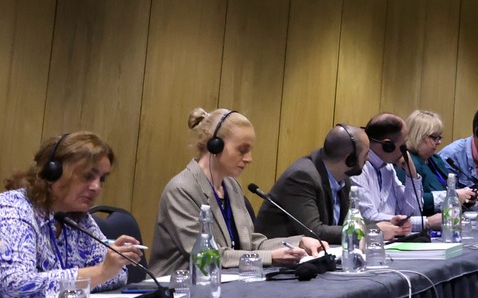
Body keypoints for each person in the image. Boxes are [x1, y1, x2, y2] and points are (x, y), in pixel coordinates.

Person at [149, 108, 321, 275]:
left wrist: (298, 242)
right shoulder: (181, 190)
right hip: (179, 288)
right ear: (215, 146)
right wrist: (270, 257)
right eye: (242, 150)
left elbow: (251, 244)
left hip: (227, 283)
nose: (249, 159)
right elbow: (206, 256)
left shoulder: (231, 186)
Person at [0, 133, 146, 298]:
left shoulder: (79, 218)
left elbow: (119, 274)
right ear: (53, 172)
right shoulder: (13, 209)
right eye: (87, 176)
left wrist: (104, 270)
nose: (96, 187)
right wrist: (99, 273)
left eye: (102, 179)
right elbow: (16, 286)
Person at [254, 125, 364, 245]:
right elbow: (313, 232)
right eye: (366, 154)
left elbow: (344, 224)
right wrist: (360, 231)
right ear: (350, 159)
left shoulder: (343, 179)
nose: (368, 159)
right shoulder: (302, 176)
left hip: (320, 252)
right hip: (279, 251)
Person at [356, 111, 441, 238]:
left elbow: (411, 212)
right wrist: (426, 222)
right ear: (388, 146)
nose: (405, 151)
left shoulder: (388, 167)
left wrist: (412, 174)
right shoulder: (359, 169)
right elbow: (369, 218)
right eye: (403, 145)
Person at [405, 110, 475, 211]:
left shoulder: (435, 159)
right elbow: (411, 200)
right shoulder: (407, 162)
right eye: (435, 137)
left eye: (439, 137)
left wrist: (466, 197)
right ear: (418, 136)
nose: (439, 142)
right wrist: (454, 196)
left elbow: (448, 189)